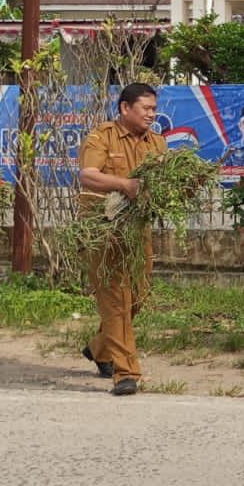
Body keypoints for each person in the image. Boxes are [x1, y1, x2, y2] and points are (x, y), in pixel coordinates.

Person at [77, 82, 168, 396]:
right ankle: (126, 373)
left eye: (154, 109)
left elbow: (158, 184)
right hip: (102, 228)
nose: (152, 115)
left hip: (136, 228)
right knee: (116, 299)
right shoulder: (101, 137)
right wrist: (124, 184)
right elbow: (88, 175)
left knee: (139, 295)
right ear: (125, 108)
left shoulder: (157, 143)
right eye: (146, 109)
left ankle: (100, 348)